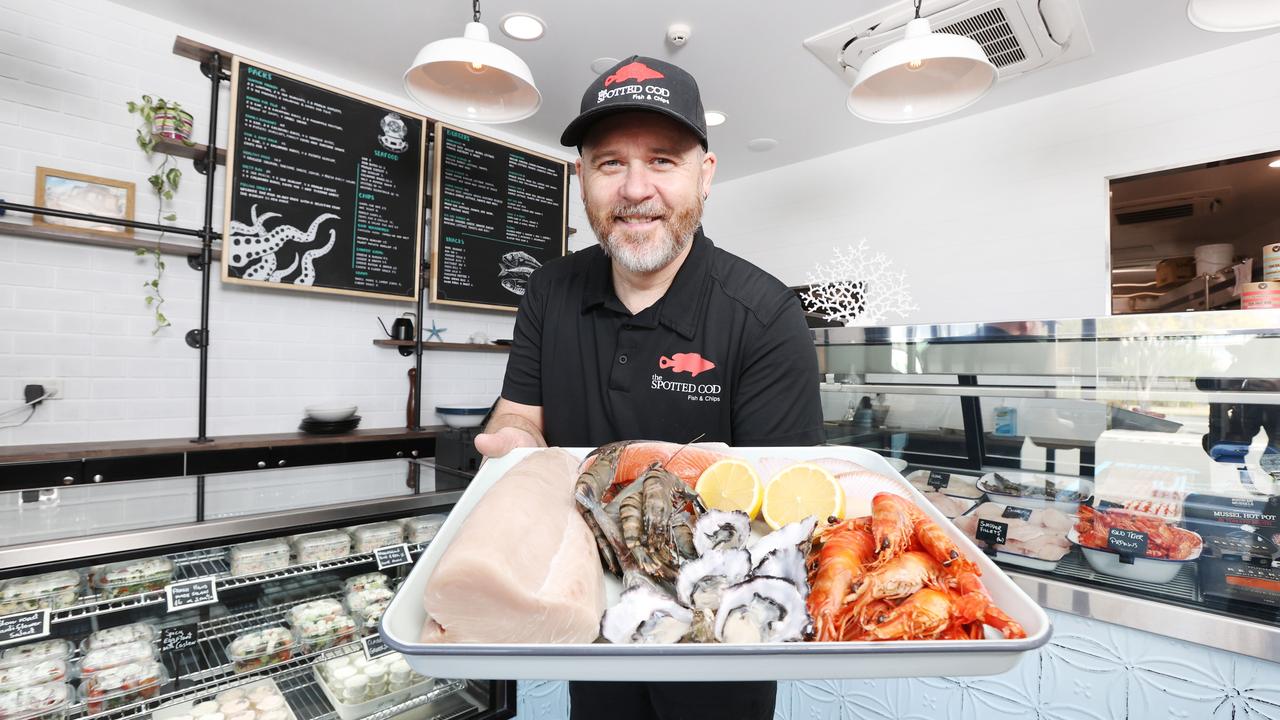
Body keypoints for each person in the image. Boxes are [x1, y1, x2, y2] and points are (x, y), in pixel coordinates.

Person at [474, 55, 823, 720]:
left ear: (705, 175)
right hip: (591, 609)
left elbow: (781, 511)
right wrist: (513, 443)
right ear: (583, 179)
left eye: (662, 160)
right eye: (610, 163)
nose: (636, 188)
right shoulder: (548, 292)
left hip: (718, 638)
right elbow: (521, 415)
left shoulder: (765, 314)